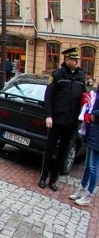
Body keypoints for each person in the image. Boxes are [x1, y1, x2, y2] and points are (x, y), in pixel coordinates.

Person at [39, 47, 85, 191]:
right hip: (56, 120)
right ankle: (43, 177)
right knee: (49, 149)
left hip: (71, 121)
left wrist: (83, 114)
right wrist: (48, 115)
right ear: (66, 60)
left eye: (77, 59)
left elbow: (83, 98)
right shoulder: (57, 75)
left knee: (63, 152)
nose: (77, 61)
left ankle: (53, 179)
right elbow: (48, 97)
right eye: (74, 59)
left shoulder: (80, 76)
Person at [70, 80, 97, 206]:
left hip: (97, 135)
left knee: (93, 167)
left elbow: (96, 113)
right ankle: (81, 189)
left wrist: (92, 115)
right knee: (87, 166)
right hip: (93, 132)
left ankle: (88, 194)